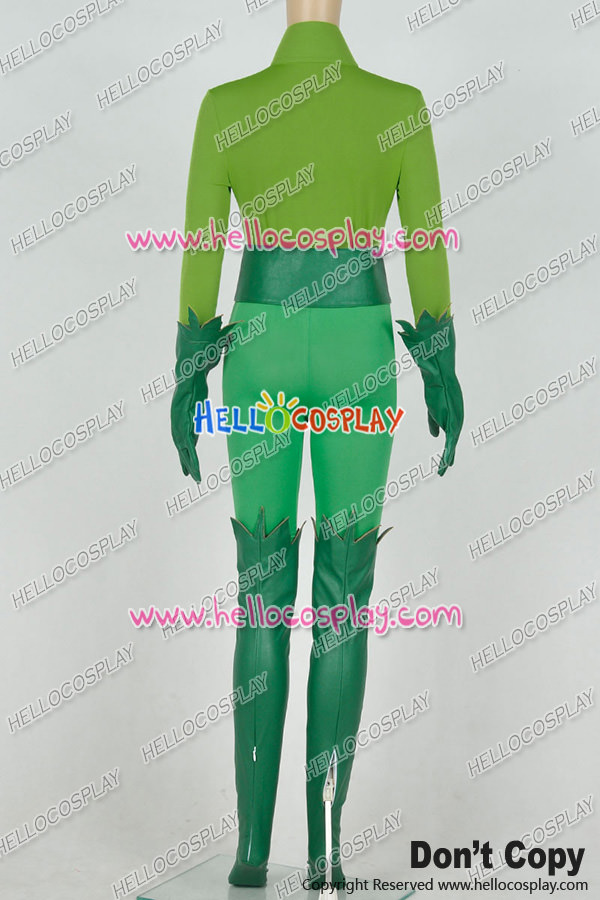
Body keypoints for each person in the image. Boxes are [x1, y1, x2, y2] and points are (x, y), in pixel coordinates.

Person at [170, 1, 464, 888]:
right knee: (344, 593)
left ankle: (251, 854)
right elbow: (425, 246)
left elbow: (200, 249)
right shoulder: (398, 106)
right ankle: (327, 851)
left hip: (258, 344)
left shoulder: (225, 106)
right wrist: (442, 366)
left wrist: (187, 371)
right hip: (357, 351)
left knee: (261, 592)